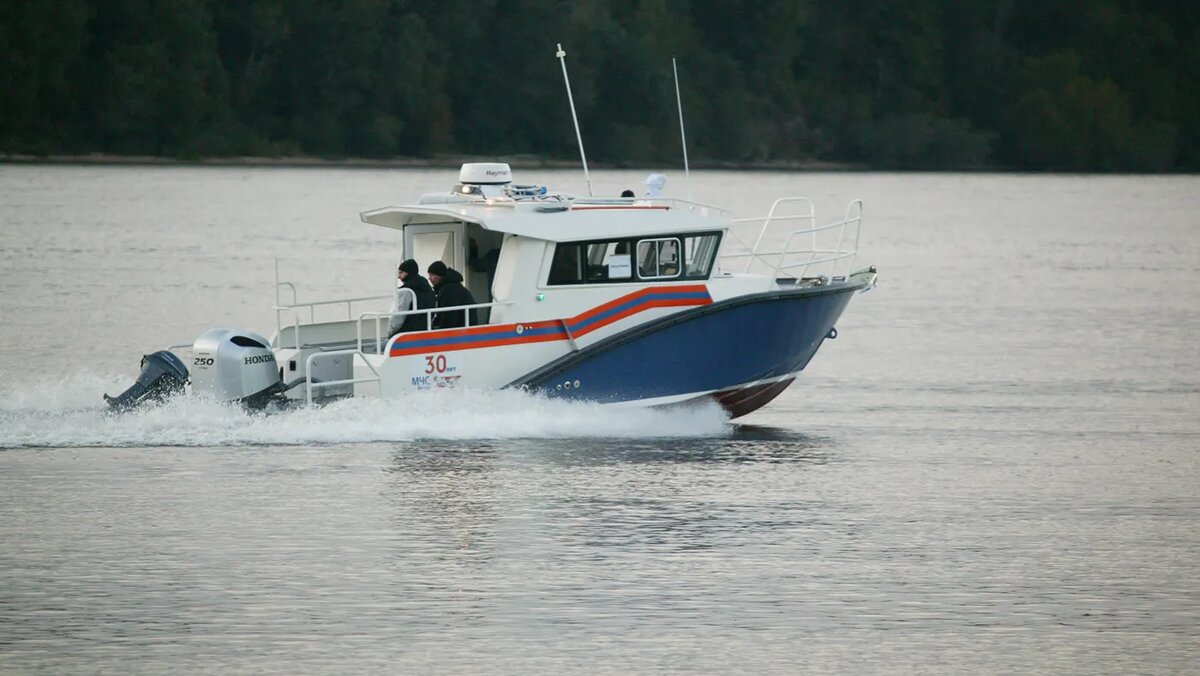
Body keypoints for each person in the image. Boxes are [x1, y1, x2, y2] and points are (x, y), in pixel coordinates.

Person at [389, 259, 436, 335]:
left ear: (408, 273)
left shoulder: (406, 291)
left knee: (377, 347)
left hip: (407, 335)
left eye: (401, 273)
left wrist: (390, 333)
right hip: (426, 331)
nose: (398, 276)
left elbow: (398, 318)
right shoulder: (428, 288)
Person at [427, 260, 477, 329]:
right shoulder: (450, 287)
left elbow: (449, 316)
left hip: (463, 329)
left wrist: (441, 332)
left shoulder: (448, 290)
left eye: (432, 275)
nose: (429, 278)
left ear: (440, 276)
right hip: (466, 325)